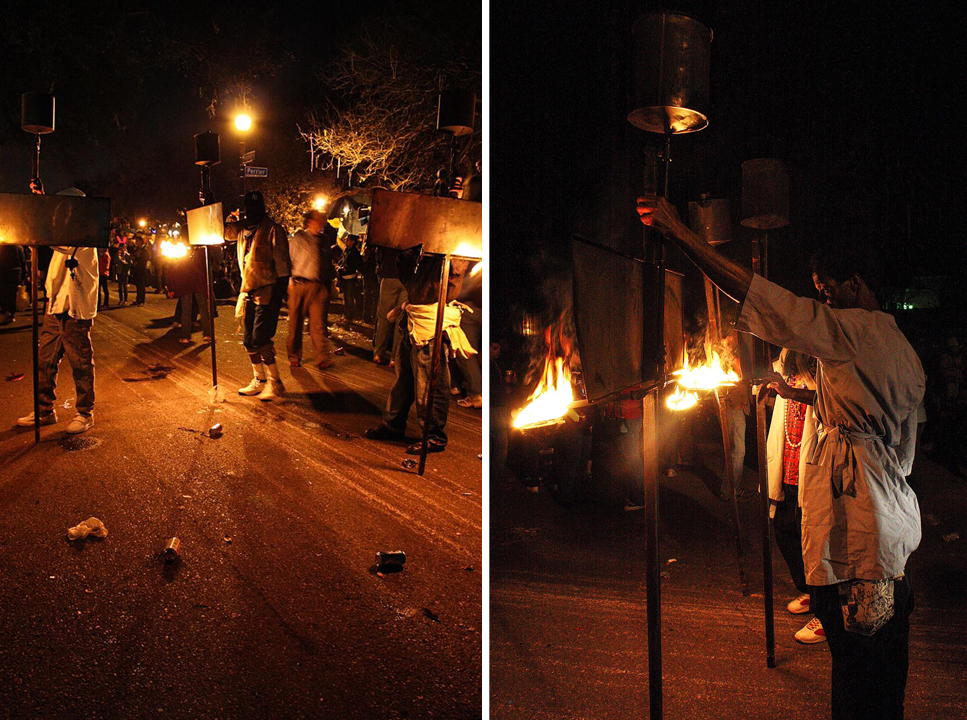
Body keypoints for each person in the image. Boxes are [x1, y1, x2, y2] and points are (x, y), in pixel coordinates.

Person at [643, 196, 924, 720]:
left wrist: (682, 235)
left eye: (828, 292)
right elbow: (898, 448)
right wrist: (797, 395)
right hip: (890, 526)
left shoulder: (849, 330)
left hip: (862, 537)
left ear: (857, 284)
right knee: (883, 676)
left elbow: (762, 300)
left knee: (860, 679)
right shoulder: (899, 346)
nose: (823, 302)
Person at [364, 250, 475, 454]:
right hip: (414, 318)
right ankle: (393, 425)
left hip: (431, 322)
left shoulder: (455, 249)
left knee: (431, 383)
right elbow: (406, 271)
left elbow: (454, 274)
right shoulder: (426, 250)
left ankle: (433, 436)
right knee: (403, 380)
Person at [16, 183, 99, 434]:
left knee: (80, 362)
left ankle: (85, 413)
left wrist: (38, 215)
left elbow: (57, 241)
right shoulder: (63, 233)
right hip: (56, 305)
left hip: (75, 309)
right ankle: (44, 410)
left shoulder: (85, 234)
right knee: (46, 360)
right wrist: (40, 200)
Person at [761, 348, 824, 644]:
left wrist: (789, 392)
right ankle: (811, 593)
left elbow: (827, 400)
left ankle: (827, 613)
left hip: (816, 460)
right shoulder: (786, 355)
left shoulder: (821, 358)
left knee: (815, 537)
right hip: (788, 460)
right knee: (784, 528)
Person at [224, 191, 291, 401]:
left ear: (262, 208)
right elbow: (222, 232)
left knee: (261, 339)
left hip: (268, 291)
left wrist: (280, 293)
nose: (251, 212)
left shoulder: (273, 230)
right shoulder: (242, 228)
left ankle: (275, 382)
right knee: (249, 341)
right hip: (248, 290)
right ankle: (259, 380)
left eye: (256, 208)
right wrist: (209, 203)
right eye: (248, 208)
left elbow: (282, 266)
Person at [286, 209, 333, 369]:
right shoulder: (298, 239)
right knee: (295, 323)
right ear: (310, 222)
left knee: (318, 324)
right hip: (299, 285)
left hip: (317, 286)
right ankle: (294, 355)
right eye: (318, 220)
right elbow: (287, 261)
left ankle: (322, 357)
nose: (321, 223)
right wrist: (290, 282)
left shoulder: (323, 241)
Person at [166, 248, 211, 345]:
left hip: (185, 283)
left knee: (186, 310)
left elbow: (172, 269)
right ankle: (207, 334)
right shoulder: (202, 251)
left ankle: (186, 336)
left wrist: (171, 287)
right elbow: (207, 268)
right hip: (199, 283)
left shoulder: (179, 251)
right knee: (203, 310)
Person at [373, 246, 407, 365]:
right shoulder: (413, 234)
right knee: (400, 319)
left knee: (383, 317)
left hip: (389, 275)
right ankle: (394, 358)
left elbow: (380, 256)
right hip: (406, 278)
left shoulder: (390, 237)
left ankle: (379, 353)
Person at [337, 234, 363, 326]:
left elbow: (354, 264)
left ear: (352, 241)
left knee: (349, 298)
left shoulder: (354, 252)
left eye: (348, 239)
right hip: (344, 277)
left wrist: (346, 268)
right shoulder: (346, 250)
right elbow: (342, 260)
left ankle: (349, 317)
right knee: (346, 297)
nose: (346, 240)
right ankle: (346, 316)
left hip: (350, 277)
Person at [0, 243, 24, 326]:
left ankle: (4, 311)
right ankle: (11, 313)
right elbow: (22, 261)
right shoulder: (18, 247)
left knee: (3, 292)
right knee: (12, 294)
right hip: (15, 272)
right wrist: (24, 275)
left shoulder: (1, 247)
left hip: (3, 272)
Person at [115, 239, 131, 306]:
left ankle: (126, 300)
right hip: (119, 271)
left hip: (125, 272)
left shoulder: (127, 255)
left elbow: (130, 264)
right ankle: (121, 299)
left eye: (122, 248)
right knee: (120, 286)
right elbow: (115, 261)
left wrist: (125, 263)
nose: (121, 249)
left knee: (125, 286)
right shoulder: (117, 254)